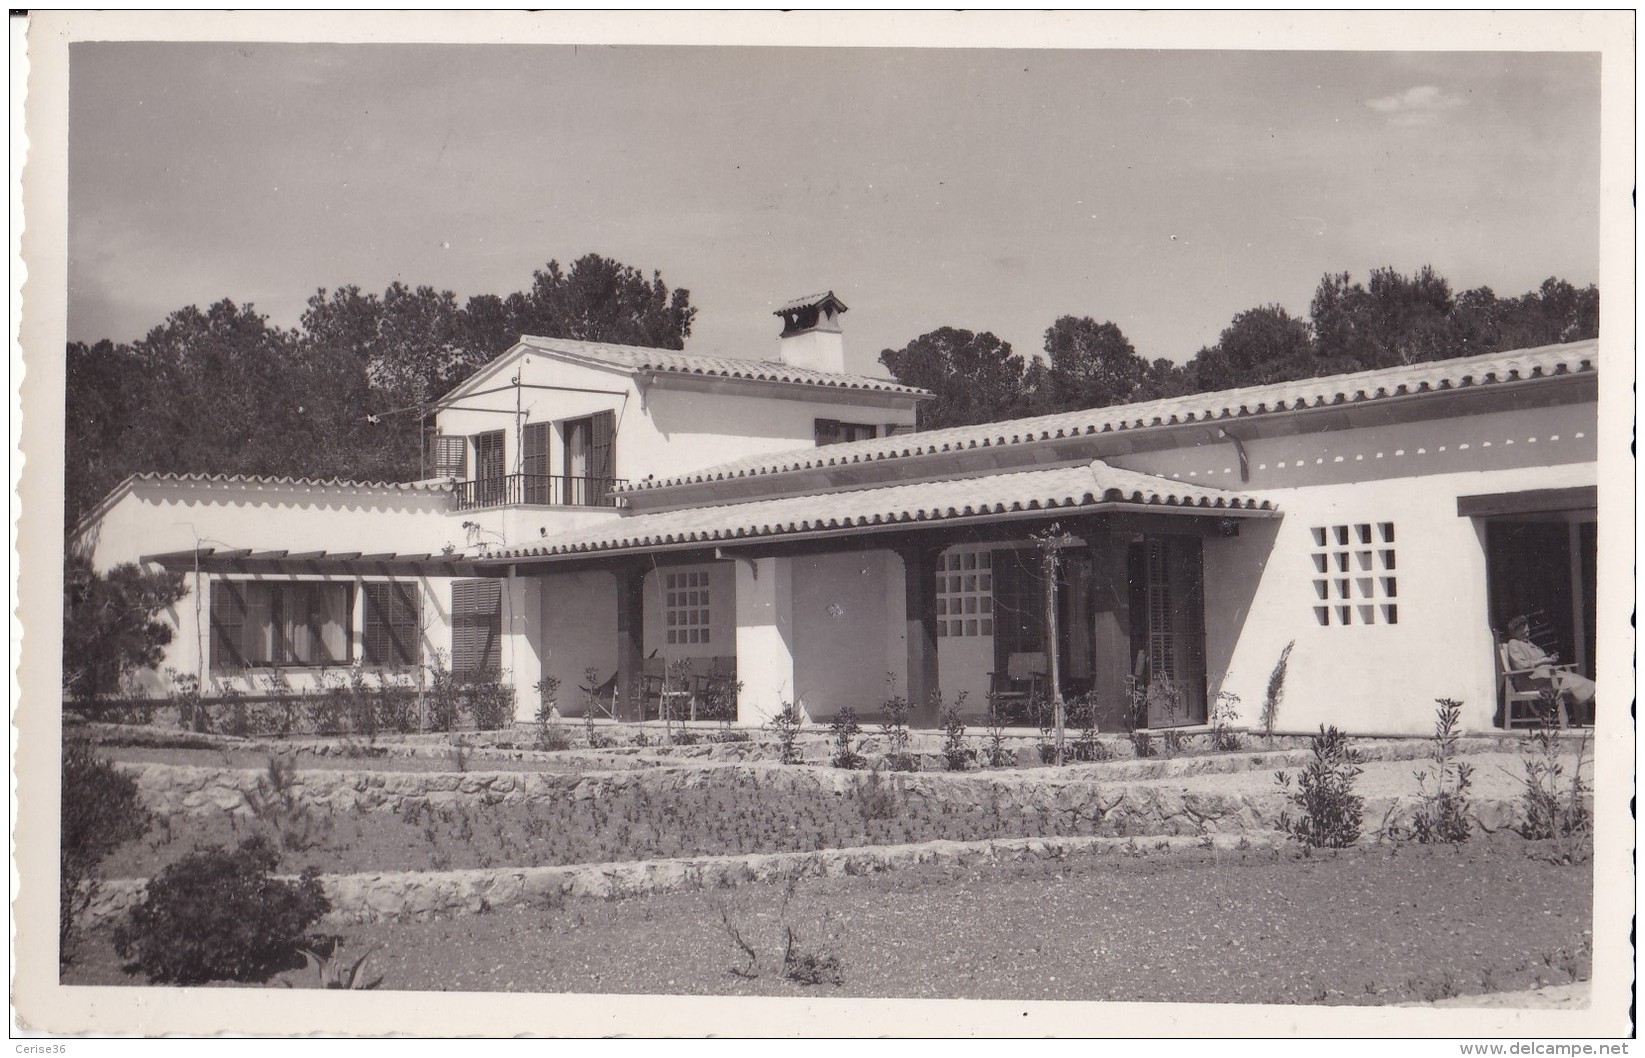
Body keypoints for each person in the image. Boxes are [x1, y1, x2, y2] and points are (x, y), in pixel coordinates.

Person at [1504, 615, 1596, 726]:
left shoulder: (1528, 643)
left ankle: (1594, 694)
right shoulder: (1513, 644)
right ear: (1514, 633)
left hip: (1545, 677)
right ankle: (1595, 696)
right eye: (1523, 634)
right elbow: (1521, 666)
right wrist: (1543, 660)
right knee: (1572, 681)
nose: (1527, 635)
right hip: (1531, 681)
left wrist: (1550, 659)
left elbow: (1540, 660)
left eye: (1528, 631)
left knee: (1575, 679)